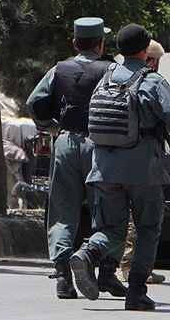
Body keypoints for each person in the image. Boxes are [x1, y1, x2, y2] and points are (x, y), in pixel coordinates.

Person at [70, 24, 170, 310]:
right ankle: (136, 292)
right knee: (148, 228)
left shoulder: (106, 76)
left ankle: (87, 253)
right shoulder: (153, 81)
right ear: (145, 49)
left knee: (112, 228)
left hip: (103, 168)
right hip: (142, 170)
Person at [26, 17, 128, 299]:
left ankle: (62, 277)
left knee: (62, 211)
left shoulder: (58, 69)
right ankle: (106, 271)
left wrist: (50, 125)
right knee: (108, 210)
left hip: (66, 143)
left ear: (74, 43)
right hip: (101, 147)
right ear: (101, 44)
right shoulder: (111, 69)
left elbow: (34, 102)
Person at [120, 40, 168, 285]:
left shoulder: (112, 77)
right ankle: (132, 270)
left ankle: (119, 267)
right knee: (142, 221)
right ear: (153, 60)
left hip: (110, 160)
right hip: (142, 162)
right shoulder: (152, 82)